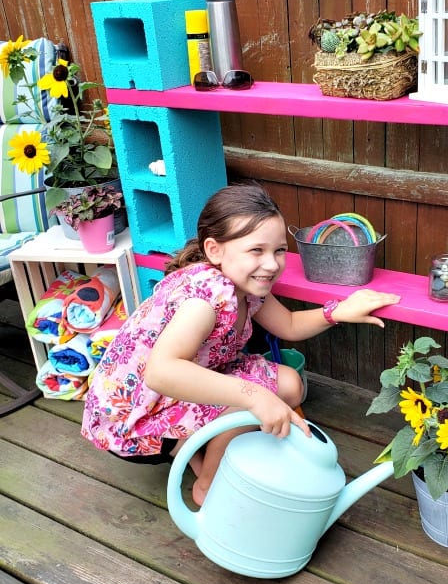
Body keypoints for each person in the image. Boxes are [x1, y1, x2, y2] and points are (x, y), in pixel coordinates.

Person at [81, 182, 400, 506]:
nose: (273, 263)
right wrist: (253, 396)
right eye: (256, 250)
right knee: (259, 398)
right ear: (215, 250)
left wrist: (339, 311)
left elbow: (288, 325)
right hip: (134, 418)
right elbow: (160, 373)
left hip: (178, 386)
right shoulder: (204, 300)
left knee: (288, 384)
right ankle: (205, 486)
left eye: (278, 250)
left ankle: (193, 449)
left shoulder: (244, 284)